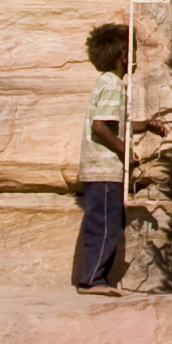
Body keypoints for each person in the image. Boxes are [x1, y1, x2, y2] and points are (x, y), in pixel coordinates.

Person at [74, 23, 130, 293]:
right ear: (124, 56)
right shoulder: (114, 84)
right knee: (106, 225)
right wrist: (125, 150)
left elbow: (111, 121)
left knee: (105, 221)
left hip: (97, 168)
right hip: (105, 169)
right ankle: (92, 280)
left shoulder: (105, 82)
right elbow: (101, 126)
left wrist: (146, 125)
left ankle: (95, 277)